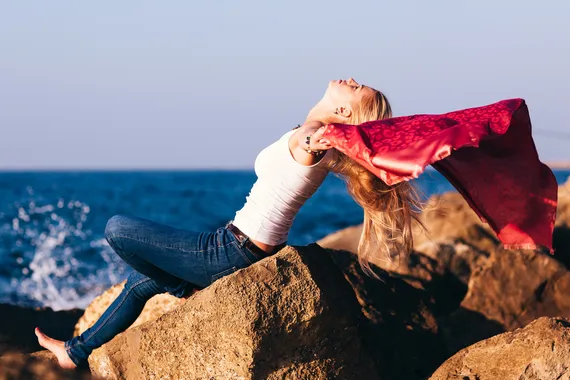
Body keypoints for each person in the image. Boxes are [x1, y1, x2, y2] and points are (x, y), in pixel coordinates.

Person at [34, 78, 421, 368]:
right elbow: (309, 142)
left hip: (231, 251)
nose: (349, 80)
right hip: (234, 244)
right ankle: (74, 352)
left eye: (356, 89)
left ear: (344, 114)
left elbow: (308, 144)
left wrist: (312, 142)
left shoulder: (312, 138)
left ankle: (184, 288)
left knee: (117, 229)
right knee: (138, 285)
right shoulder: (312, 133)